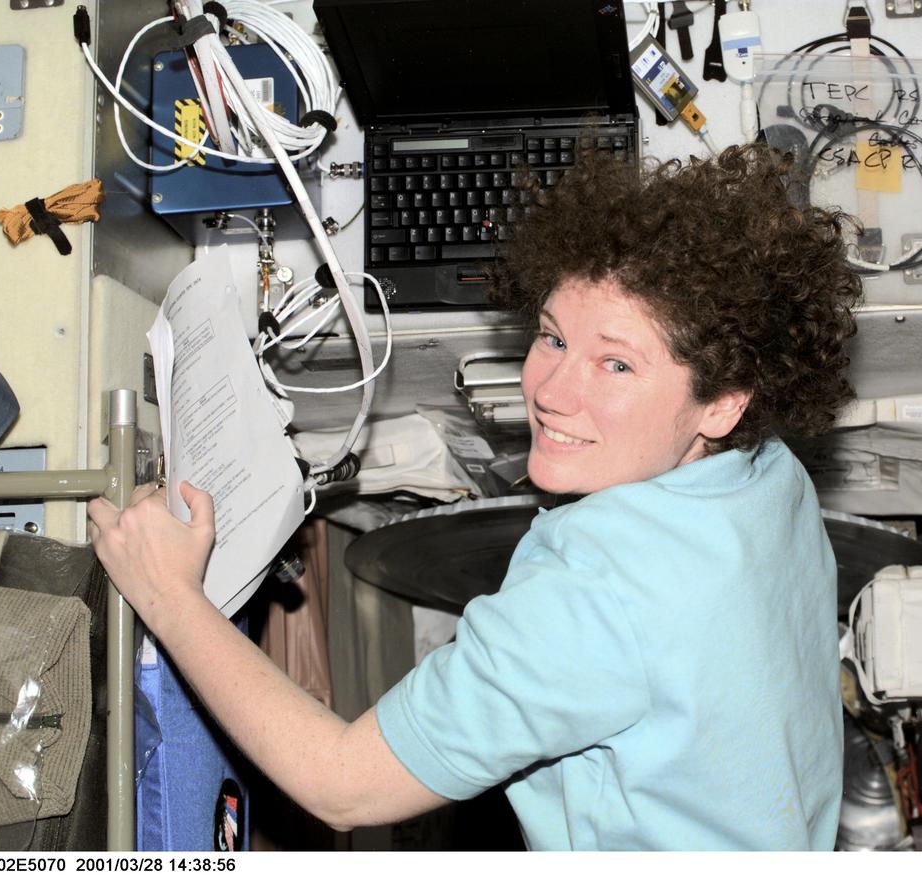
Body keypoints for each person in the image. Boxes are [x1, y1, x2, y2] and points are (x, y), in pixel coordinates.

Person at [87, 143, 861, 850]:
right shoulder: (770, 473)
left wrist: (169, 592)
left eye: (616, 366)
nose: (551, 391)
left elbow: (340, 785)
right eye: (553, 337)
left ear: (722, 401)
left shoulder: (594, 599)